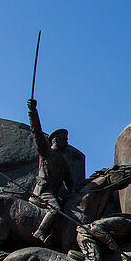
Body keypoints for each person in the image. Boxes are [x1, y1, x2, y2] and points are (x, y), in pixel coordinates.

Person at [27, 99, 86, 245]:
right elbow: (37, 132)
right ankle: (40, 232)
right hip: (43, 192)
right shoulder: (46, 152)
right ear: (55, 140)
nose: (66, 141)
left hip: (54, 193)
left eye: (66, 139)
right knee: (56, 209)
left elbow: (70, 185)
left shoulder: (65, 163)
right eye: (63, 139)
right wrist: (33, 112)